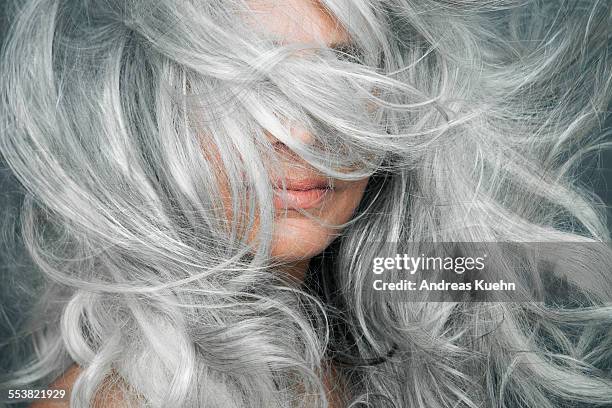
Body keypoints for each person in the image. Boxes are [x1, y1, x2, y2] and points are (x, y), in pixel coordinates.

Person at [0, 0, 611, 407]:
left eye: (343, 79)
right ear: (145, 112)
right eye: (252, 85)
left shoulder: (376, 299)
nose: (309, 134)